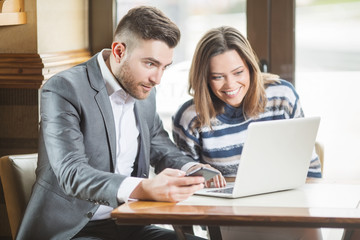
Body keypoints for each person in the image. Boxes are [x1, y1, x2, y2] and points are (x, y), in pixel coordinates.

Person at [17, 6, 223, 240]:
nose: (157, 79)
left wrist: (195, 170)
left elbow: (159, 145)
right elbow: (71, 173)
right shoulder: (64, 89)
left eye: (164, 67)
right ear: (118, 51)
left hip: (129, 223)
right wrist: (143, 188)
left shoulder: (144, 91)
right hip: (70, 231)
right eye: (150, 64)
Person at [172, 26, 322, 239]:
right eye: (217, 77)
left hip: (290, 210)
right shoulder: (190, 117)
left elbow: (310, 168)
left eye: (238, 72)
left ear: (251, 67)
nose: (231, 85)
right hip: (228, 218)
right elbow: (186, 187)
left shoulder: (282, 96)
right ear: (204, 77)